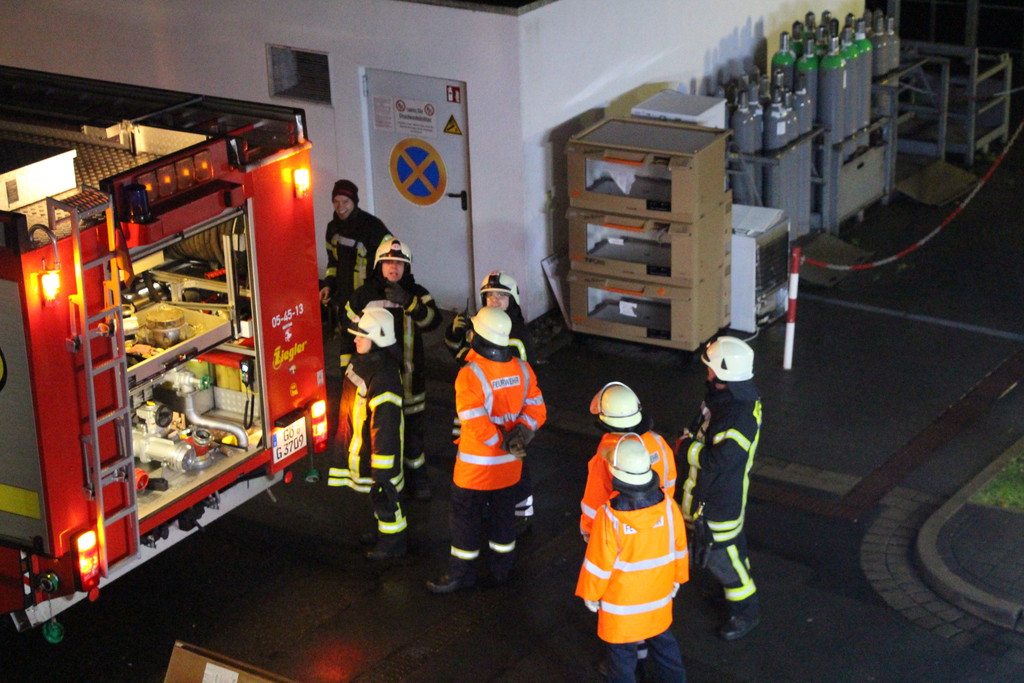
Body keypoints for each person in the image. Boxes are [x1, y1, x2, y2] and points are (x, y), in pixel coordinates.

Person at [427, 307, 546, 594]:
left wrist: (501, 441)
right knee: (504, 520)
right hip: (510, 469)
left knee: (465, 521)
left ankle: (460, 574)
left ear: (478, 337)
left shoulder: (470, 374)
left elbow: (475, 421)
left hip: (475, 472)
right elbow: (537, 409)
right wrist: (520, 435)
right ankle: (501, 571)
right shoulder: (522, 369)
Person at [576, 434, 689, 683]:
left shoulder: (609, 516)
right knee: (665, 648)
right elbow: (680, 547)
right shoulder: (669, 507)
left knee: (621, 661)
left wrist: (590, 594)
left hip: (621, 607)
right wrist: (678, 578)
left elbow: (598, 563)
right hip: (658, 598)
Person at [675, 335, 762, 641]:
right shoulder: (729, 399)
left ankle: (745, 612)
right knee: (730, 552)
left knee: (723, 560)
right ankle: (730, 591)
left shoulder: (737, 415)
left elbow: (720, 459)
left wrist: (685, 448)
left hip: (717, 505)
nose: (707, 373)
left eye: (711, 369)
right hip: (717, 498)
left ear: (725, 376)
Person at [342, 237, 441, 501]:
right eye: (388, 263)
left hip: (410, 378)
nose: (393, 268)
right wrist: (348, 371)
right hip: (376, 380)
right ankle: (384, 485)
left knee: (413, 435)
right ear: (379, 265)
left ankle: (417, 479)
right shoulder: (364, 295)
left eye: (399, 263)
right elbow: (348, 331)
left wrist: (410, 302)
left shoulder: (417, 293)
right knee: (381, 435)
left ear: (406, 267)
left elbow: (433, 322)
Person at [444, 270, 536, 534]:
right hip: (481, 411)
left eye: (501, 296)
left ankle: (522, 512)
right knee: (493, 466)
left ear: (512, 300)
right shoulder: (484, 326)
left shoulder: (514, 336)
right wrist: (456, 333)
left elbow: (493, 367)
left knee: (516, 465)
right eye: (490, 296)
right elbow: (464, 357)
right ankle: (497, 509)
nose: (494, 300)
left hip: (507, 417)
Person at [327, 306, 407, 560]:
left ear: (378, 339)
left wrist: (381, 470)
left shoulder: (383, 377)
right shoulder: (363, 363)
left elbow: (385, 427)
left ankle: (393, 541)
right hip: (360, 447)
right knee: (374, 496)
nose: (355, 340)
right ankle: (383, 533)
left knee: (385, 496)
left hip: (377, 453)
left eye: (361, 336)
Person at [580, 381, 678, 542]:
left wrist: (589, 531)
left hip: (622, 531)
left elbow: (595, 500)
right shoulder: (658, 441)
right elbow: (670, 480)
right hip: (660, 522)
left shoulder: (608, 454)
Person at [319, 179, 392, 346]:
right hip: (344, 300)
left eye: (345, 201)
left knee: (369, 345)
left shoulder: (373, 227)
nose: (340, 207)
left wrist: (377, 290)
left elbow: (392, 259)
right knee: (348, 344)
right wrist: (328, 285)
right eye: (336, 201)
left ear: (354, 202)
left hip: (369, 300)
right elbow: (333, 262)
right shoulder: (332, 228)